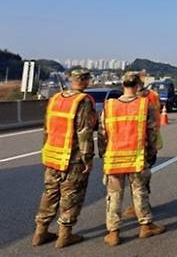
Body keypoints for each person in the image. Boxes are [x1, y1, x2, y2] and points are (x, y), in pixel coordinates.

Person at [32, 68, 97, 248]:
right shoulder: (82, 101)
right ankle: (64, 236)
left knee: (50, 194)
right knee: (71, 196)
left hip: (52, 155)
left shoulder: (55, 99)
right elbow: (84, 132)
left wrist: (45, 151)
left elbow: (47, 128)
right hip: (72, 158)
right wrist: (88, 159)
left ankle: (40, 232)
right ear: (85, 81)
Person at [98, 71, 165, 246]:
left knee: (114, 195)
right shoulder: (145, 105)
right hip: (136, 157)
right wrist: (150, 154)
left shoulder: (109, 106)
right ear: (137, 86)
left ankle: (113, 232)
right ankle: (145, 226)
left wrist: (103, 153)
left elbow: (102, 133)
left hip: (114, 158)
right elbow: (152, 133)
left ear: (123, 85)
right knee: (139, 192)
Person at [123, 70, 162, 220]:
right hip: (149, 138)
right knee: (143, 175)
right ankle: (141, 205)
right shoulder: (152, 95)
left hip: (138, 140)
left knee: (138, 177)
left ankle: (139, 207)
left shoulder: (141, 99)